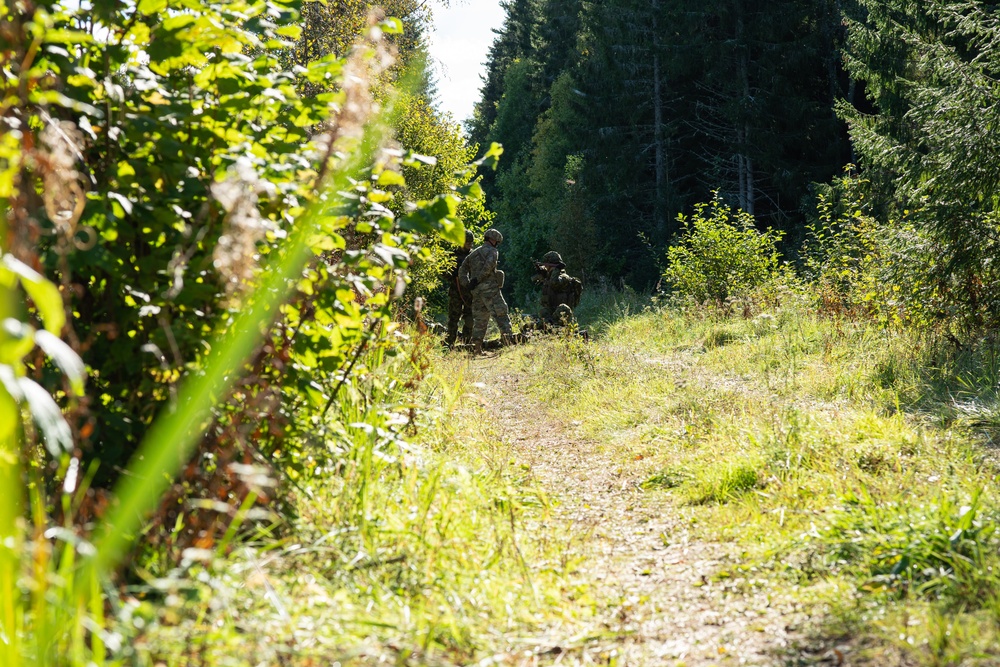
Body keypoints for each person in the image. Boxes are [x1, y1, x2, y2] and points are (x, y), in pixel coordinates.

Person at [458, 228, 514, 354]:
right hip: (491, 291)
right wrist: (477, 279)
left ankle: (477, 348)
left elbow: (462, 270)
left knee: (480, 320)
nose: (497, 243)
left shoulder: (473, 254)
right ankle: (509, 344)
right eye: (496, 241)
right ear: (492, 240)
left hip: (477, 292)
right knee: (501, 314)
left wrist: (467, 284)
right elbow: (489, 266)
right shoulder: (493, 251)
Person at [533, 250, 582, 328]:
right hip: (551, 315)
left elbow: (554, 283)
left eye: (546, 265)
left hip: (560, 315)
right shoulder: (550, 277)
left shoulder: (564, 277)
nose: (545, 267)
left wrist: (556, 269)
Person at [445, 229, 474, 349]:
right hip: (456, 292)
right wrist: (453, 274)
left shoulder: (474, 256)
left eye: (471, 243)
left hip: (470, 293)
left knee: (470, 319)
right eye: (467, 243)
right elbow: (443, 273)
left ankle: (466, 344)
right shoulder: (451, 256)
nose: (470, 245)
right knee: (453, 318)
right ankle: (449, 343)